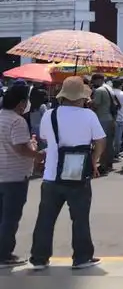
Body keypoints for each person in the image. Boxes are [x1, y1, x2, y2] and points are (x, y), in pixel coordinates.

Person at [29, 76, 105, 271]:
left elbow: (45, 137)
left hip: (52, 174)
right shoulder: (89, 116)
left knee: (45, 218)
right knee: (80, 218)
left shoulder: (50, 115)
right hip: (78, 175)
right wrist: (94, 161)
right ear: (82, 97)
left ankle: (39, 258)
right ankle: (81, 257)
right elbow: (101, 141)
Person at [0, 83, 39, 268]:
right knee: (10, 218)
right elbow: (21, 148)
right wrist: (37, 151)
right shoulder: (17, 121)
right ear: (22, 103)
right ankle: (4, 254)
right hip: (14, 176)